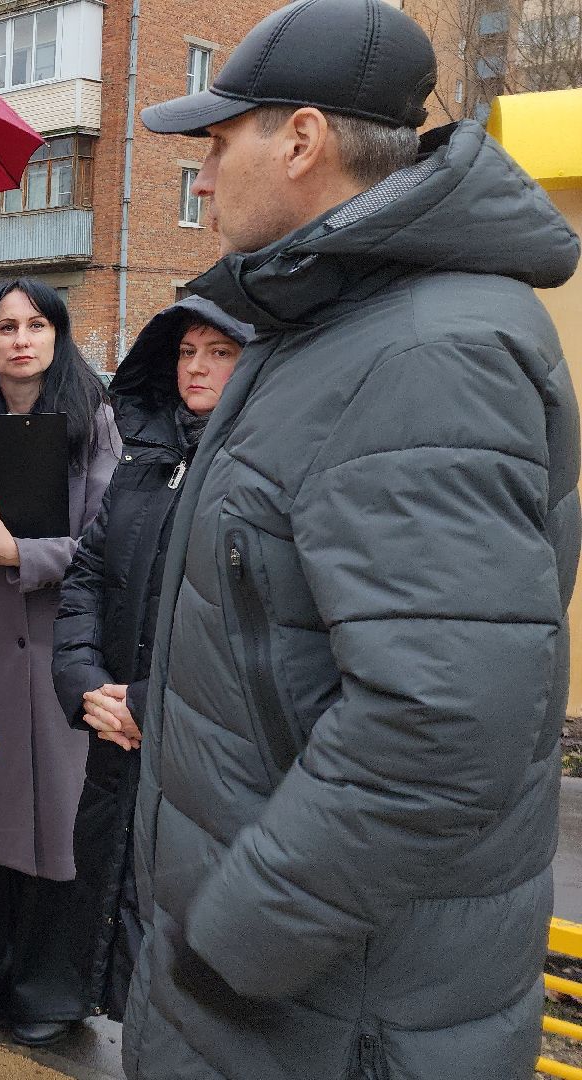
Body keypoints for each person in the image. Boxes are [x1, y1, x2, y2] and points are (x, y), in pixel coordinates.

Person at [120, 0, 580, 1075]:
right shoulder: (336, 322)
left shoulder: (425, 352)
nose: (201, 172)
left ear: (301, 138)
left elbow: (442, 725)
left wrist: (238, 936)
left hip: (334, 1011)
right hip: (292, 994)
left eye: (217, 140)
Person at [49, 297, 251, 1024]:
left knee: (188, 963)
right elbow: (87, 576)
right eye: (186, 350)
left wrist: (147, 698)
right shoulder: (148, 460)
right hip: (116, 736)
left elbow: (246, 626)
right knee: (118, 925)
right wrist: (86, 683)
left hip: (196, 751)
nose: (196, 366)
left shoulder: (258, 469)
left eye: (219, 352)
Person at [0, 278, 117, 1049]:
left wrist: (23, 553)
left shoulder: (93, 423)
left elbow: (115, 546)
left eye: (36, 324)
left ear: (57, 334)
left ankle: (53, 987)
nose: (19, 339)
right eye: (4, 326)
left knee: (59, 825)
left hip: (61, 647)